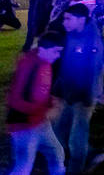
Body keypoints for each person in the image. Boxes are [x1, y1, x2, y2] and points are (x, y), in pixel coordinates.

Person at [53, 3, 104, 174]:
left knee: (77, 136)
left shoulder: (92, 39)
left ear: (81, 20)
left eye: (68, 19)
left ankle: (76, 168)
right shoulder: (71, 34)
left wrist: (89, 95)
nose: (64, 22)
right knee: (59, 131)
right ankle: (89, 155)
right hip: (68, 92)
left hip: (84, 96)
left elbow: (96, 69)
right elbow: (66, 63)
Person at [7, 32, 66, 175]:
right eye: (56, 51)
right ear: (44, 49)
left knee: (57, 153)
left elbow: (40, 93)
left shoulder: (44, 62)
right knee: (23, 166)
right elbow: (15, 101)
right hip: (25, 127)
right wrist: (46, 110)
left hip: (40, 122)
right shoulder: (30, 67)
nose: (58, 56)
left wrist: (51, 102)